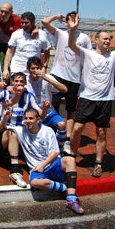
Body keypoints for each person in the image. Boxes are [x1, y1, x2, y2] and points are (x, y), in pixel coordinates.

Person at [67, 14, 115, 178]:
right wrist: (72, 30)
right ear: (96, 40)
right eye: (105, 39)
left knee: (101, 133)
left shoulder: (113, 56)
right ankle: (71, 156)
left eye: (110, 39)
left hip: (105, 101)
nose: (108, 41)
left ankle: (98, 163)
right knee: (77, 129)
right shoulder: (87, 54)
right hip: (87, 99)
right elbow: (71, 45)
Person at [13, 108, 84, 214]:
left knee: (70, 160)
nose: (28, 121)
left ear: (38, 120)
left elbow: (55, 152)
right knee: (34, 182)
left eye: (31, 118)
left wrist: (43, 165)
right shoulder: (21, 130)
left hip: (52, 164)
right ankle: (65, 188)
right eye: (26, 118)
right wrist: (5, 117)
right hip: (37, 170)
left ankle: (71, 200)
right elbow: (5, 129)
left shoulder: (47, 130)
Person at [41, 12, 92, 152]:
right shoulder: (61, 34)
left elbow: (89, 58)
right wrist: (57, 16)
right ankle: (53, 134)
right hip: (58, 75)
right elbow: (44, 22)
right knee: (53, 106)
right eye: (71, 19)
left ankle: (68, 139)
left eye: (77, 19)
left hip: (75, 79)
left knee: (71, 111)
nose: (74, 21)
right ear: (66, 21)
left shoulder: (85, 38)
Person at [0, 72, 50, 188]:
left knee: (37, 126)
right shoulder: (5, 94)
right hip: (3, 132)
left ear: (25, 84)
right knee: (13, 132)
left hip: (22, 134)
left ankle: (41, 166)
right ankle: (14, 170)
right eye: (16, 81)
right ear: (13, 82)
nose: (18, 84)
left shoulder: (29, 96)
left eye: (21, 82)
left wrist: (44, 109)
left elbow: (40, 114)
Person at [25, 56, 68, 150]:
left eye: (38, 68)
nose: (36, 71)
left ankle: (58, 150)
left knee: (62, 125)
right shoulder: (25, 81)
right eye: (33, 68)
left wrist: (46, 78)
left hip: (49, 111)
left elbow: (64, 89)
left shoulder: (47, 78)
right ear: (28, 69)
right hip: (34, 114)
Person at [2, 12, 50, 81]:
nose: (24, 25)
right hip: (17, 69)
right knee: (18, 90)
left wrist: (44, 67)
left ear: (33, 22)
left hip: (34, 71)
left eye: (26, 23)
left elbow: (47, 51)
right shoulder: (16, 34)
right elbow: (9, 51)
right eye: (22, 23)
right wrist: (5, 69)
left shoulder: (42, 34)